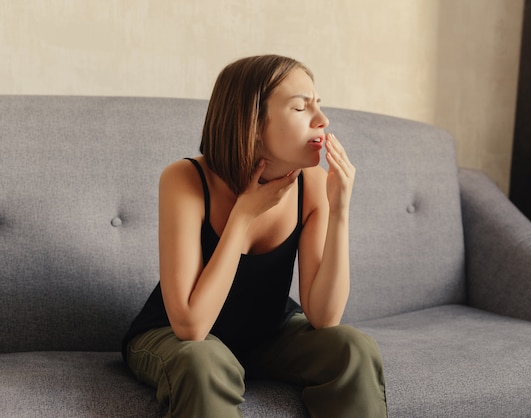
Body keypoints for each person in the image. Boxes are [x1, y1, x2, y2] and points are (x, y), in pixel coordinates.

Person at [122, 54, 388, 418]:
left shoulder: (310, 186)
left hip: (267, 333)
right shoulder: (185, 181)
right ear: (252, 121)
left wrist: (340, 210)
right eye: (300, 107)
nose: (322, 121)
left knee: (352, 348)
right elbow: (191, 326)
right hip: (176, 335)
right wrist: (243, 217)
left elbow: (324, 317)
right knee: (204, 362)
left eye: (318, 105)